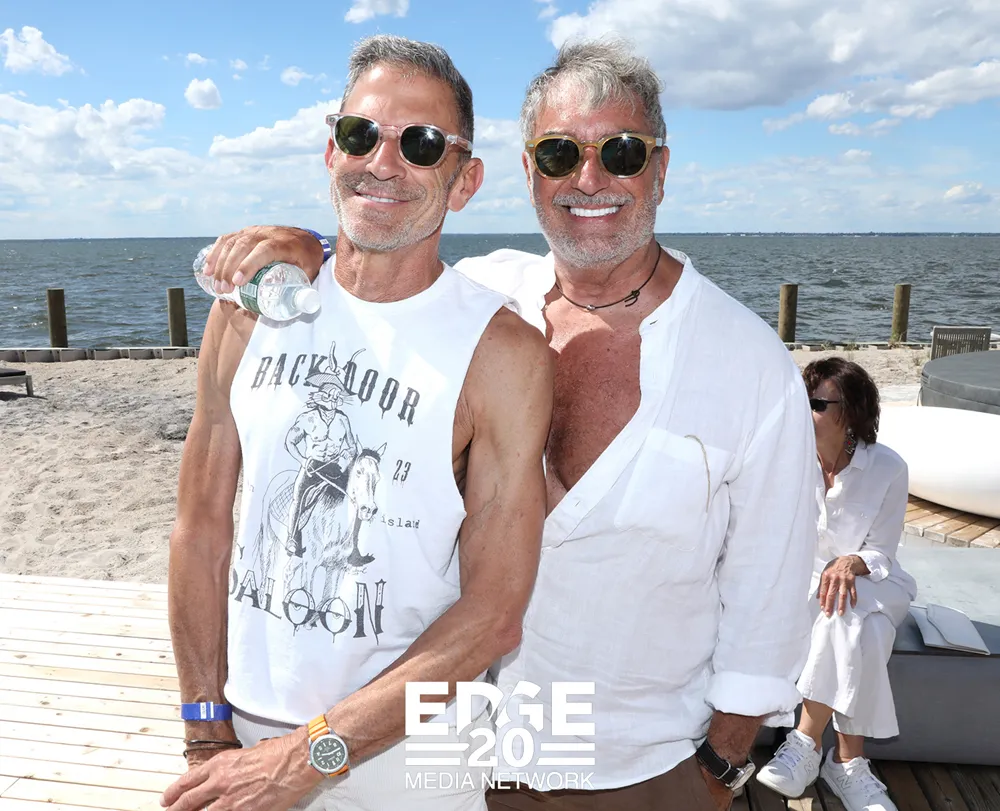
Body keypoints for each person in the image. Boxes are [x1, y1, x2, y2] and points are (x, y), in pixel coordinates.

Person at [203, 39, 820, 811]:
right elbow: (381, 261)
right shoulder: (484, 296)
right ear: (529, 173)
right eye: (560, 153)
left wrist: (719, 770)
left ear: (660, 169)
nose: (589, 179)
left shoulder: (748, 362)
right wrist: (307, 245)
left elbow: (770, 593)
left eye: (622, 152)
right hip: (454, 758)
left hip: (635, 768)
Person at [163, 35, 553, 811]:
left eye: (422, 143)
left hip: (410, 761)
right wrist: (205, 724)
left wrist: (309, 757)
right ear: (330, 151)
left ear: (465, 180)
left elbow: (492, 615)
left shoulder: (502, 354)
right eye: (360, 133)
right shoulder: (247, 308)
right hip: (242, 739)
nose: (383, 161)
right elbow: (201, 526)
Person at [755, 358, 916, 811]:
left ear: (850, 412)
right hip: (807, 587)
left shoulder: (888, 468)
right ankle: (848, 764)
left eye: (817, 404)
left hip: (875, 582)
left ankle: (805, 742)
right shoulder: (786, 461)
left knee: (842, 607)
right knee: (866, 631)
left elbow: (882, 551)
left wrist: (851, 561)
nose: (804, 411)